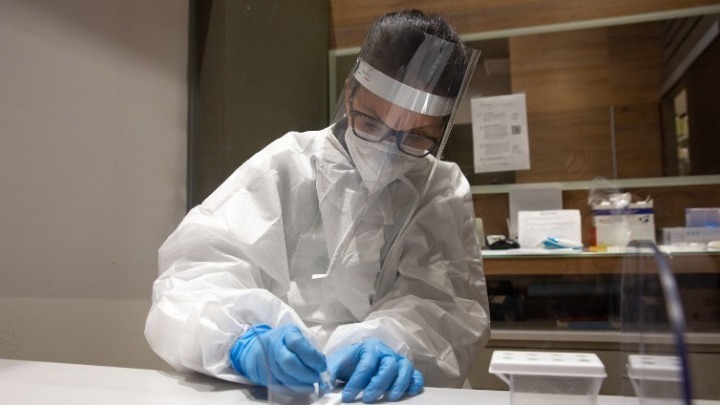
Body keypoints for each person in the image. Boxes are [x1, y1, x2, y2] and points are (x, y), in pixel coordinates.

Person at [145, 8, 490, 403]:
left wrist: (397, 344)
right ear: (349, 93)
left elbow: (448, 308)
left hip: (383, 395)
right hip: (278, 391)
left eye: (416, 137)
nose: (386, 150)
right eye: (370, 122)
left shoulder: (440, 188)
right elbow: (195, 275)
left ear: (440, 132)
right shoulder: (288, 164)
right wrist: (241, 339)